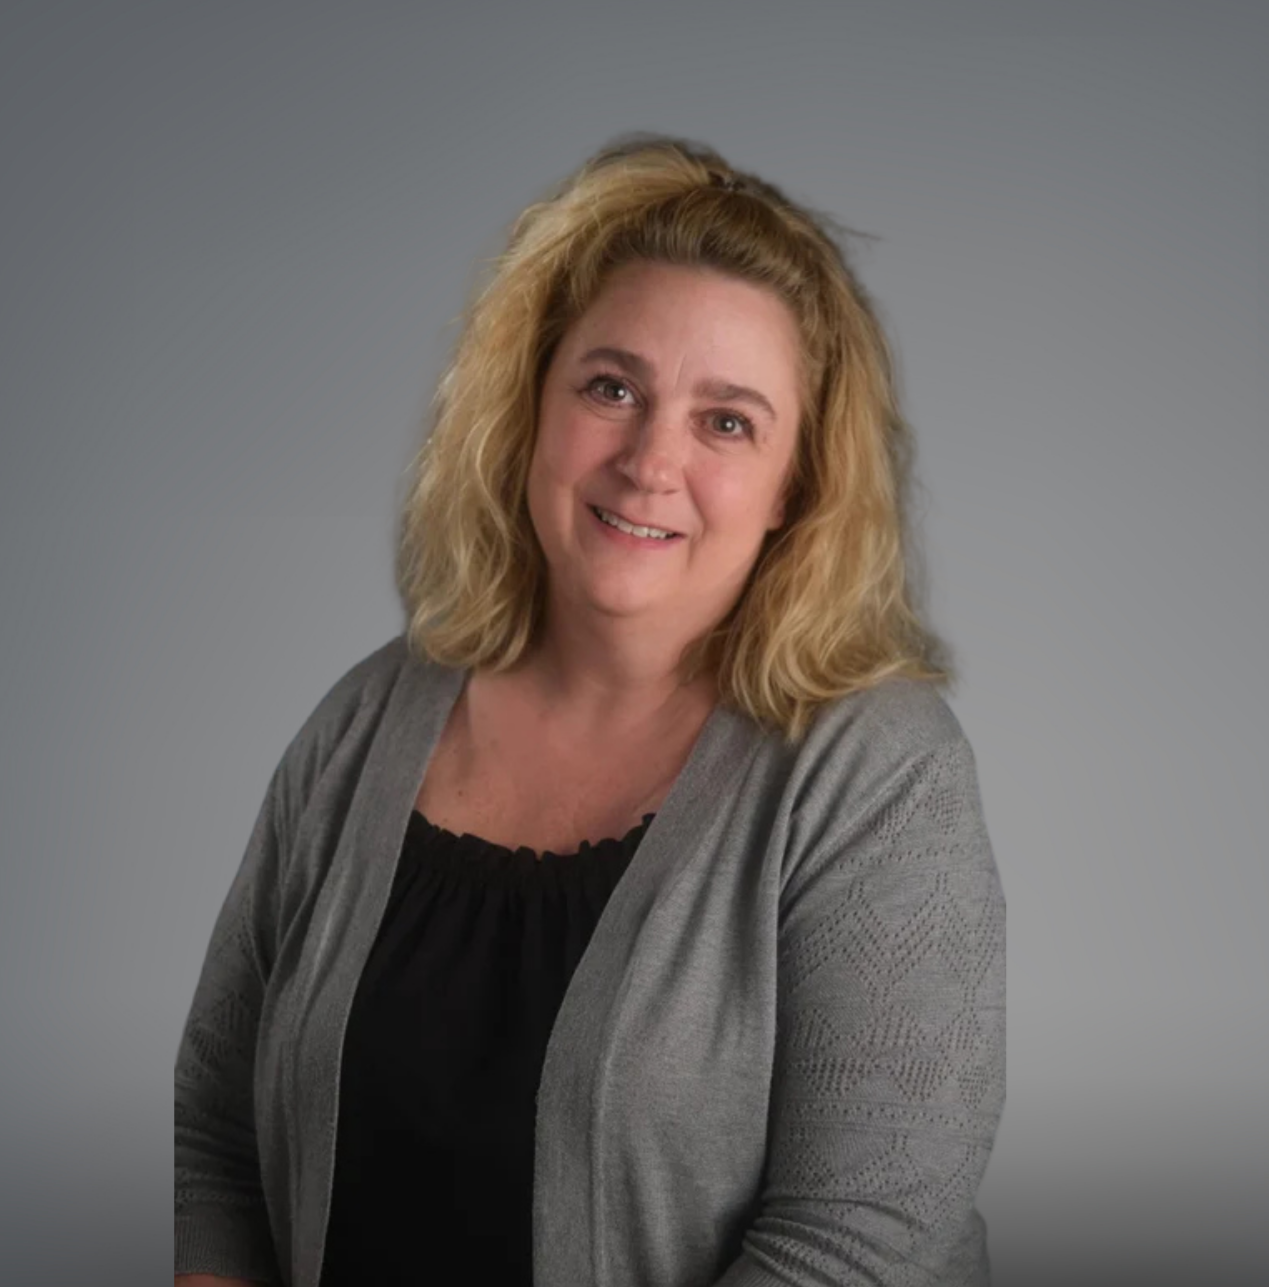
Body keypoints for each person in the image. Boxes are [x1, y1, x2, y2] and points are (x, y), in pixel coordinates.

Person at [174, 134, 1005, 1287]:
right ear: (532, 410)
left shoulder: (875, 771)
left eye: (728, 422)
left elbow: (862, 1237)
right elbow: (218, 1135)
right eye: (612, 388)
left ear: (795, 491)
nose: (650, 460)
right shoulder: (364, 723)